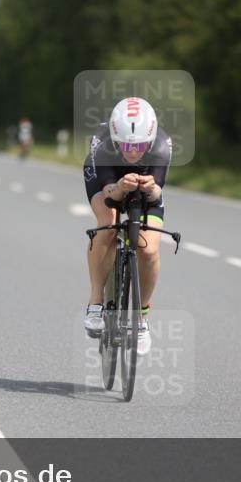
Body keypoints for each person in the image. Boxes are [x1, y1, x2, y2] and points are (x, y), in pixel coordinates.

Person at [82, 97, 171, 355]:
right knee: (108, 225)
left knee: (150, 249)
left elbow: (156, 195)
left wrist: (152, 188)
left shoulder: (163, 145)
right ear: (115, 137)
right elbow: (108, 191)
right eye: (126, 146)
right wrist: (120, 187)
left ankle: (141, 319)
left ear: (151, 139)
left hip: (146, 188)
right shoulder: (103, 142)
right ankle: (96, 301)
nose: (133, 152)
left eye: (141, 145)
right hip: (105, 179)